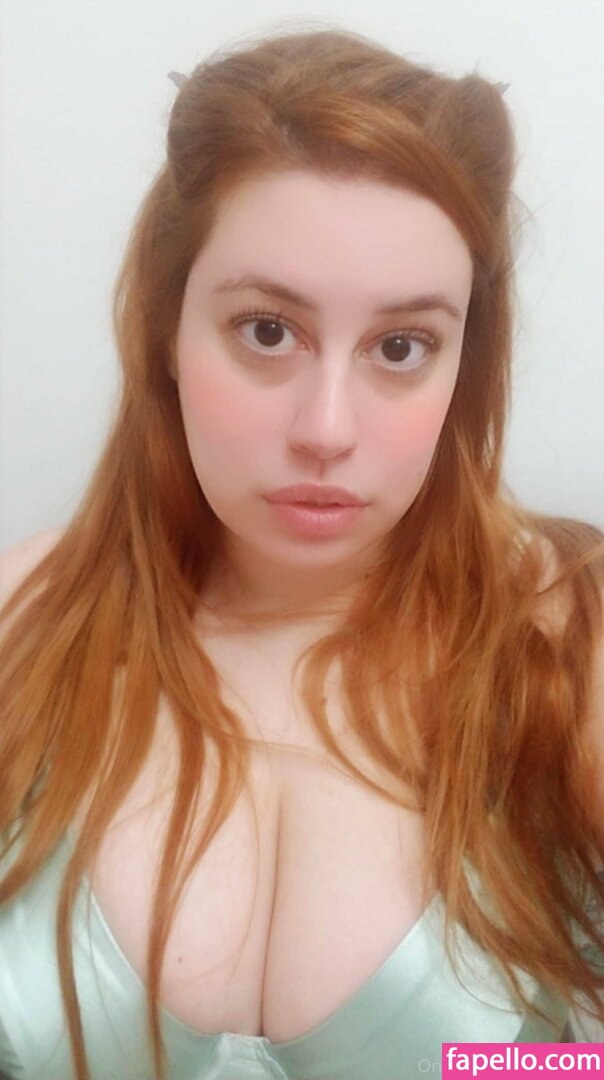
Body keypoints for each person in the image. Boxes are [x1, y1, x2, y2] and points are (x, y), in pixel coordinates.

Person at [1, 23, 604, 1080]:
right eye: (268, 332)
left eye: (400, 346)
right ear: (166, 331)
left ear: (463, 366)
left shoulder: (568, 641)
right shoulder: (23, 620)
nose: (327, 428)